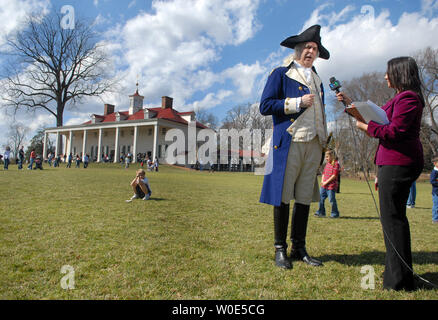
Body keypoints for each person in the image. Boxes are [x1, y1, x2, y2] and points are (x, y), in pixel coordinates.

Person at [337, 56, 424, 291]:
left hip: (400, 163)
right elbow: (375, 118)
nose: (385, 76)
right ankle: (399, 275)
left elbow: (394, 131)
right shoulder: (399, 98)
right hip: (391, 163)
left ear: (400, 74)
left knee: (393, 221)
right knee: (393, 220)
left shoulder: (409, 98)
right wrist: (350, 104)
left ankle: (398, 281)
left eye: (388, 72)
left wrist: (368, 128)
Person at [259, 25, 330, 269]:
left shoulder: (318, 79)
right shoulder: (280, 73)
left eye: (316, 48)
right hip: (289, 142)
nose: (311, 51)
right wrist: (297, 102)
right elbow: (265, 105)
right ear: (298, 49)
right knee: (283, 195)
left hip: (314, 143)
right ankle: (280, 249)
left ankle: (300, 247)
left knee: (303, 198)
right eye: (308, 47)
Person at [315, 150, 340, 218]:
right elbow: (324, 173)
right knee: (320, 198)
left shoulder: (336, 164)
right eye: (325, 157)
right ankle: (321, 212)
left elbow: (334, 175)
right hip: (324, 186)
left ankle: (335, 214)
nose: (326, 158)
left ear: (332, 156)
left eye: (327, 157)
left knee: (331, 200)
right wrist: (322, 181)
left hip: (331, 187)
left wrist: (326, 182)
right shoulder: (327, 164)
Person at [430, 157, 438, 224]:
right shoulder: (434, 172)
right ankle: (435, 219)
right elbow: (432, 181)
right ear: (435, 163)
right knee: (436, 206)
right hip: (436, 192)